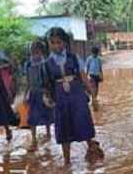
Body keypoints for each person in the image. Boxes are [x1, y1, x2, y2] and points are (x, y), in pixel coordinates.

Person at [45, 27, 104, 165]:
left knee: (83, 122)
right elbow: (47, 85)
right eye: (52, 43)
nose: (56, 46)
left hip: (77, 96)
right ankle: (67, 162)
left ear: (64, 42)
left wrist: (94, 97)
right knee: (63, 127)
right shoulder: (46, 63)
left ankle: (93, 151)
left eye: (59, 42)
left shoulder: (75, 58)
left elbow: (84, 78)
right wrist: (47, 98)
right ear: (49, 44)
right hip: (60, 99)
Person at [24, 39, 55, 152]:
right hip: (33, 93)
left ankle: (48, 133)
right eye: (33, 52)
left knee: (47, 115)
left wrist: (49, 93)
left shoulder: (46, 63)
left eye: (38, 52)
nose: (35, 54)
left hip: (44, 93)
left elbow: (49, 80)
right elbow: (27, 81)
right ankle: (34, 139)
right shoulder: (27, 64)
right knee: (32, 117)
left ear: (42, 52)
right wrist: (25, 96)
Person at [86, 46, 103, 111]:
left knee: (97, 89)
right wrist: (86, 76)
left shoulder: (99, 59)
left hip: (97, 76)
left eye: (96, 53)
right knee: (93, 88)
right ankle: (94, 101)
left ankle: (94, 98)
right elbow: (87, 67)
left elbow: (100, 68)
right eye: (94, 53)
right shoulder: (89, 59)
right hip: (91, 75)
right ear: (92, 53)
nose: (95, 55)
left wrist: (102, 75)